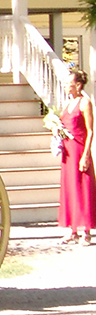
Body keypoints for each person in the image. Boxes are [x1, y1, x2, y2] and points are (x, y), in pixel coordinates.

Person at [58, 69, 95, 245]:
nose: (67, 86)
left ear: (78, 85)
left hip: (79, 150)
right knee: (69, 189)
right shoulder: (67, 104)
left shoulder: (85, 103)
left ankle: (85, 231)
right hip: (67, 152)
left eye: (69, 84)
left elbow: (90, 131)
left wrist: (86, 155)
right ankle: (72, 229)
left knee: (83, 188)